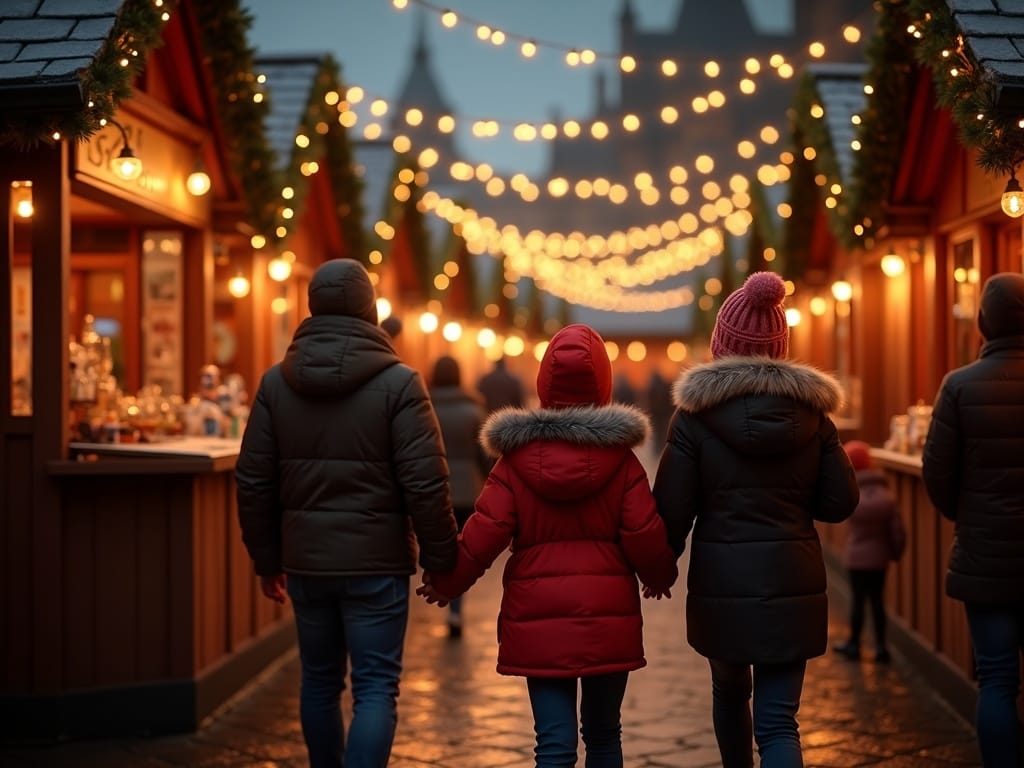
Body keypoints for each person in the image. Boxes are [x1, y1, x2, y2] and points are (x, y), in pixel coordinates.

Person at [418, 323, 678, 767]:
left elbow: (485, 530)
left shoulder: (516, 460)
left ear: (543, 382)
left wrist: (448, 581)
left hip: (537, 615)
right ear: (603, 381)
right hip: (606, 613)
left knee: (553, 743)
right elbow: (644, 530)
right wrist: (659, 576)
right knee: (603, 734)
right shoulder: (622, 461)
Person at [235, 258, 458, 768]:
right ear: (369, 310)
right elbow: (424, 482)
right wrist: (443, 560)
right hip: (377, 565)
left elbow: (252, 480)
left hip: (307, 563)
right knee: (376, 687)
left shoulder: (275, 384)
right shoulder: (401, 384)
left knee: (318, 680)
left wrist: (268, 560)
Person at [652, 271, 859, 768]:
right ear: (780, 345)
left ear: (722, 343)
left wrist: (658, 568)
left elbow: (670, 512)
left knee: (729, 694)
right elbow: (839, 503)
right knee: (779, 720)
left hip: (721, 585)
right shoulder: (814, 418)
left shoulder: (694, 418)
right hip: (794, 580)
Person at [921, 272, 1024, 768]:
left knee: (998, 679)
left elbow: (937, 473)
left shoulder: (959, 385)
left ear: (983, 322)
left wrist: (969, 515)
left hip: (984, 559)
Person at [427, 354, 489, 638]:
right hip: (466, 489)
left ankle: (436, 588)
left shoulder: (423, 407)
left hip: (433, 489)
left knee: (437, 547)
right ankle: (455, 608)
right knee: (460, 551)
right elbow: (483, 457)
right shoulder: (473, 410)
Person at [832, 440, 906, 664]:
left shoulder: (852, 496)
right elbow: (898, 531)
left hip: (856, 558)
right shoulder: (887, 496)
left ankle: (854, 643)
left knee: (857, 601)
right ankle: (882, 647)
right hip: (879, 560)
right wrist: (895, 553)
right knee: (877, 602)